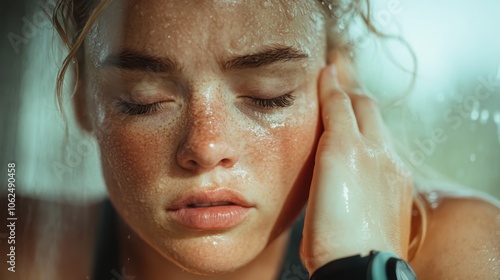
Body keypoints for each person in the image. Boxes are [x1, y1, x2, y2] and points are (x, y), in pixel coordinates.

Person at [2, 0, 497, 279]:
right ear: (82, 100)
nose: (206, 146)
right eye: (142, 100)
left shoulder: (455, 252)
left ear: (337, 88)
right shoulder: (20, 250)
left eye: (268, 96)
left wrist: (359, 267)